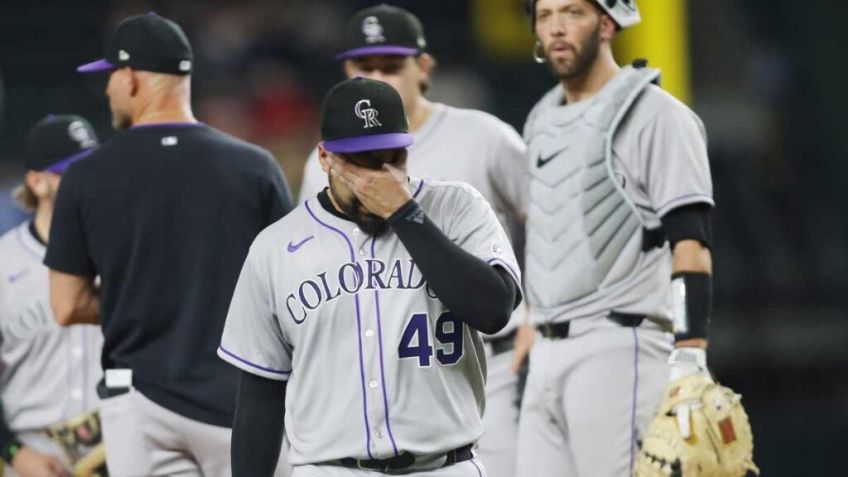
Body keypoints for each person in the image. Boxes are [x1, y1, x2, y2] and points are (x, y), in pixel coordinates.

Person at [220, 77, 522, 477]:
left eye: (391, 158)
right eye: (361, 161)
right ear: (325, 158)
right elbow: (261, 393)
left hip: (446, 466)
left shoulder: (457, 209)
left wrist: (405, 213)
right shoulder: (277, 246)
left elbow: (493, 309)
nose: (381, 177)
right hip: (331, 469)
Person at [44, 13, 293, 477]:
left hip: (142, 404)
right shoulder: (256, 167)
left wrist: (137, 295)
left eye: (110, 77)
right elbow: (292, 285)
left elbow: (65, 304)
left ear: (132, 77)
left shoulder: (85, 175)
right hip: (244, 402)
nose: (107, 90)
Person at [297, 7, 529, 474]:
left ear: (423, 68)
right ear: (346, 71)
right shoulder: (321, 165)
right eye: (365, 66)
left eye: (391, 65)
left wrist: (543, 313)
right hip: (386, 379)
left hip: (489, 362)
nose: (377, 75)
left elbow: (552, 221)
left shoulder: (483, 136)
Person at [517, 1, 716, 476]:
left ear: (607, 23)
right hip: (546, 350)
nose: (557, 28)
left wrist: (690, 351)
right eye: (545, 16)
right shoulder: (540, 119)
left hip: (618, 344)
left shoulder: (655, 114)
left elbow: (691, 243)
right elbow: (547, 238)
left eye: (572, 12)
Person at [0, 115, 105, 477]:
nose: (88, 179)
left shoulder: (124, 252)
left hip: (123, 450)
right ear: (37, 182)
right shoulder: (2, 264)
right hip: (33, 455)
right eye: (71, 171)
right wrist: (13, 453)